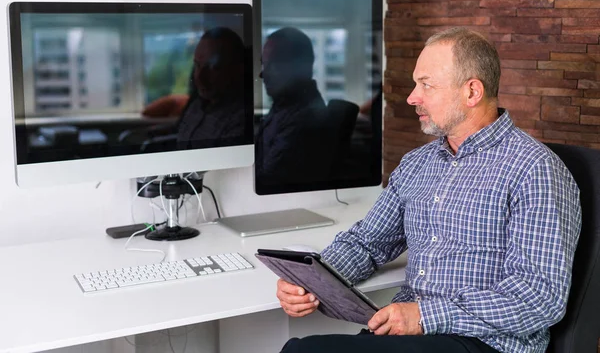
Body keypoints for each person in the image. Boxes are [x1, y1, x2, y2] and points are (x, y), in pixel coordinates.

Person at [275, 27, 582, 353]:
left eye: (426, 85)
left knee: (303, 351)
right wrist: (314, 281)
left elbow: (539, 297)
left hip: (485, 344)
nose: (412, 97)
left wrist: (425, 315)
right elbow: (368, 243)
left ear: (472, 92)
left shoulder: (534, 169)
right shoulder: (417, 163)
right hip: (411, 334)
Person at [139, 27, 248, 150]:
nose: (200, 77)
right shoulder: (196, 105)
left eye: (213, 67)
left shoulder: (239, 119)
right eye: (197, 65)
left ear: (238, 70)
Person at [255, 27, 332, 186]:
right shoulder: (284, 104)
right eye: (264, 64)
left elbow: (267, 179)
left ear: (299, 67)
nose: (262, 74)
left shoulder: (304, 120)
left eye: (272, 65)